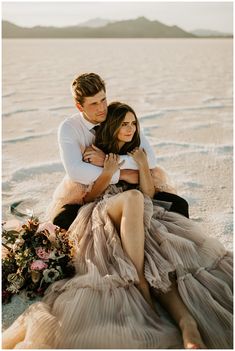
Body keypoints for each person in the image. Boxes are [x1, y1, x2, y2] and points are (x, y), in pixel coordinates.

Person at [3, 102, 232, 349]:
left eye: (133, 123)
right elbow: (87, 197)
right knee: (132, 202)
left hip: (140, 213)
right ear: (112, 126)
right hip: (102, 211)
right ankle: (144, 289)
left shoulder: (136, 152)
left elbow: (148, 193)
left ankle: (188, 324)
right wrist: (108, 171)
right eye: (124, 124)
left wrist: (142, 166)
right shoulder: (93, 151)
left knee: (159, 258)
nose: (130, 128)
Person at [49, 72, 189, 230]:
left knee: (179, 205)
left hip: (131, 184)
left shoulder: (117, 115)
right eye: (93, 104)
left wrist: (107, 160)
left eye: (103, 100)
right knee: (62, 220)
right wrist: (120, 173)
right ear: (80, 107)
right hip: (87, 188)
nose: (102, 108)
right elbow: (76, 171)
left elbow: (150, 159)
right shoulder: (69, 128)